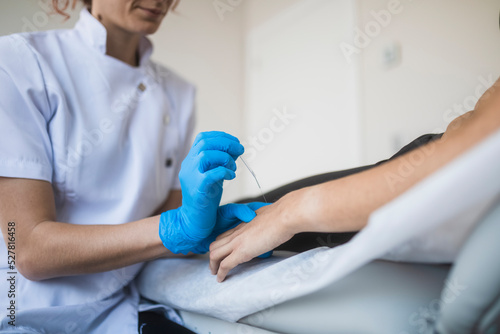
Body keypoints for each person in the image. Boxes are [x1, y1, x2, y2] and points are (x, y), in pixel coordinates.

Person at [0, 0, 265, 333]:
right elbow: (29, 250)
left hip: (120, 305)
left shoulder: (177, 92)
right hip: (23, 309)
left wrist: (216, 230)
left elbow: (166, 238)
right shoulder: (19, 63)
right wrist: (176, 228)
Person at [209, 76, 500, 282]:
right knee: (243, 217)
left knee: (243, 224)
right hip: (427, 159)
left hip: (435, 178)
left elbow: (478, 153)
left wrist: (292, 211)